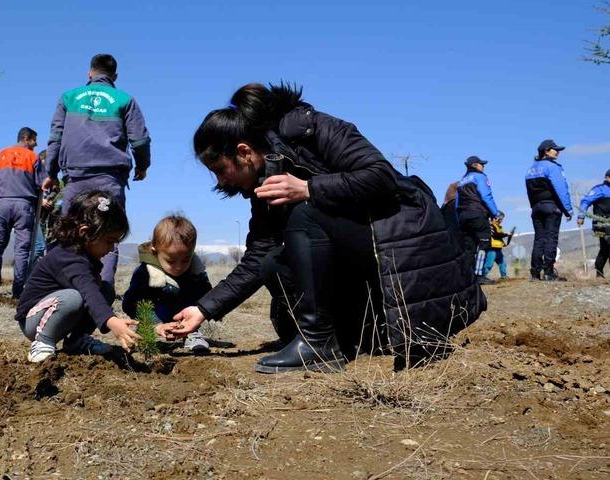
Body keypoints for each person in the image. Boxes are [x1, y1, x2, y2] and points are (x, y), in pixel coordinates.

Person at [166, 83, 485, 374]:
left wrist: (309, 188)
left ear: (244, 152)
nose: (221, 181)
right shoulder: (267, 180)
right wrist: (203, 309)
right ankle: (348, 337)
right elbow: (258, 255)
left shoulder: (312, 128)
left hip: (401, 240)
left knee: (305, 214)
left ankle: (318, 343)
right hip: (361, 257)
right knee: (272, 262)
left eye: (220, 169)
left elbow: (382, 177)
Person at [16, 190, 171, 363]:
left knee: (105, 290)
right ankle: (43, 341)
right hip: (33, 320)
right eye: (109, 241)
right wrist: (112, 321)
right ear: (85, 232)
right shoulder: (68, 257)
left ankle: (77, 340)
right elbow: (88, 292)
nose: (111, 248)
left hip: (55, 312)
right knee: (74, 298)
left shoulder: (87, 256)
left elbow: (94, 293)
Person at [42, 53, 151, 296]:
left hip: (75, 178)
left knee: (70, 234)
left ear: (89, 73)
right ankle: (104, 292)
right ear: (115, 76)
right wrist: (143, 166)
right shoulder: (124, 99)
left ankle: (69, 291)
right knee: (107, 233)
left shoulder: (69, 98)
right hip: (110, 178)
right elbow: (140, 139)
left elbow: (55, 138)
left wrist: (51, 172)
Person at [122, 215, 213, 354]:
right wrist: (154, 324)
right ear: (155, 251)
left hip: (184, 315)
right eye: (171, 261)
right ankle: (145, 335)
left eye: (185, 260)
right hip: (153, 314)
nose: (179, 267)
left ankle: (191, 333)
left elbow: (207, 297)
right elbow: (132, 303)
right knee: (144, 310)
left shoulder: (196, 273)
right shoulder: (145, 273)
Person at [0, 127, 41, 298]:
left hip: (2, 203)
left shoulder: (1, 154)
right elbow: (42, 183)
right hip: (25, 206)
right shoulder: (33, 157)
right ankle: (18, 292)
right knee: (22, 250)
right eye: (34, 140)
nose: (36, 144)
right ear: (26, 138)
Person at [525, 139, 573, 281]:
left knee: (539, 239)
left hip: (536, 208)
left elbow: (529, 191)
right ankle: (549, 272)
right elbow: (561, 188)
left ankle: (535, 273)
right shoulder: (553, 167)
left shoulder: (530, 169)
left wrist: (533, 206)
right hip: (551, 207)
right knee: (551, 238)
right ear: (546, 151)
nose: (557, 152)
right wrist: (568, 209)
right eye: (555, 149)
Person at [456, 156, 502, 285]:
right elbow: (486, 196)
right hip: (477, 214)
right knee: (484, 243)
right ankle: (479, 275)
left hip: (463, 216)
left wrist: (458, 218)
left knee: (469, 247)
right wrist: (495, 213)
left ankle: (467, 276)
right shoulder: (480, 177)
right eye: (481, 164)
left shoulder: (461, 181)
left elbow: (457, 202)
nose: (483, 166)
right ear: (475, 165)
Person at [577, 169, 610, 278]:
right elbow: (585, 202)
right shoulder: (599, 189)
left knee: (605, 248)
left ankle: (599, 271)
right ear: (607, 178)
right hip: (600, 223)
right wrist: (581, 216)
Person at [483, 214, 513, 280]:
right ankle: (482, 277)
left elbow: (499, 237)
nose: (500, 220)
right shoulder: (491, 226)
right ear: (494, 218)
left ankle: (503, 276)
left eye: (502, 218)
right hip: (491, 249)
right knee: (489, 264)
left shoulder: (498, 227)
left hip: (498, 249)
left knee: (503, 263)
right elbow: (496, 235)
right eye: (499, 218)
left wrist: (503, 243)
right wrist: (506, 234)